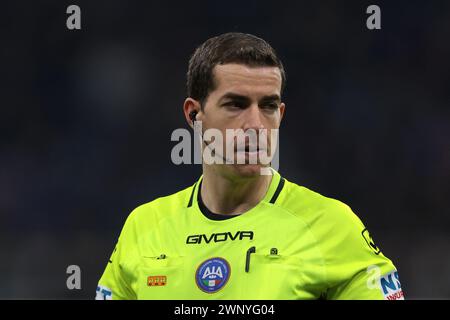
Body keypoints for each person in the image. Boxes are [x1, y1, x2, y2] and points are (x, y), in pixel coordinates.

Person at [95, 32, 404, 300]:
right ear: (194, 115)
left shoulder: (331, 226)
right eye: (236, 105)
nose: (255, 124)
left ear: (280, 114)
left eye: (268, 106)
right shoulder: (144, 227)